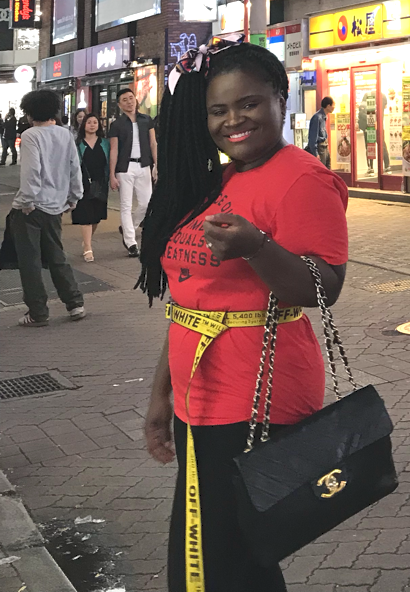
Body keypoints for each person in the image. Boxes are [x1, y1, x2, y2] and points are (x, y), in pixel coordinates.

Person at [137, 40, 349, 592]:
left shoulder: (302, 178)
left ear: (282, 98)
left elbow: (323, 286)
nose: (234, 120)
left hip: (257, 394)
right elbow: (191, 299)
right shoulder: (221, 179)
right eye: (218, 110)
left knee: (216, 560)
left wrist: (258, 248)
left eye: (249, 104)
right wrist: (162, 394)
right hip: (198, 393)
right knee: (227, 556)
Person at [8, 87, 86, 327]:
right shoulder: (65, 134)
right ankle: (75, 304)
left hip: (31, 209)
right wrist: (74, 196)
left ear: (31, 112)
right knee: (56, 256)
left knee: (30, 261)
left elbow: (32, 172)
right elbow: (75, 167)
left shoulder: (32, 135)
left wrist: (25, 202)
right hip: (55, 206)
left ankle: (38, 312)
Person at [108, 87, 157, 258]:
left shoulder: (146, 120)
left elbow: (153, 144)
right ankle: (131, 243)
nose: (129, 102)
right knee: (125, 205)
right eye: (125, 100)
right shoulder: (116, 125)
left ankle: (129, 227)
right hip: (124, 167)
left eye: (131, 98)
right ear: (120, 105)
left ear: (136, 100)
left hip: (144, 165)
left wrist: (156, 165)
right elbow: (113, 149)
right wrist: (112, 174)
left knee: (146, 203)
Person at [72, 115, 108, 262]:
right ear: (83, 125)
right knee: (86, 216)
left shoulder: (105, 143)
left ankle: (87, 240)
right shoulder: (78, 143)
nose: (92, 125)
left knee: (97, 216)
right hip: (83, 183)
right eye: (89, 122)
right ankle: (88, 248)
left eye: (95, 122)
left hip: (100, 183)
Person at [305, 95, 333, 165]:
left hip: (325, 147)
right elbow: (313, 137)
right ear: (328, 106)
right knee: (322, 170)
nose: (334, 107)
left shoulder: (324, 117)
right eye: (333, 105)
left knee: (327, 169)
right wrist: (315, 153)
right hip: (320, 148)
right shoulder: (317, 118)